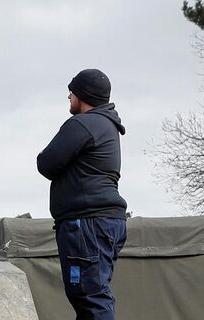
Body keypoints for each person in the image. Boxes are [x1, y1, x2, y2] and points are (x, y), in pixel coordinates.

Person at [35, 68, 128, 320]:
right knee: (89, 295)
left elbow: (46, 163)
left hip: (87, 223)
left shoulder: (84, 124)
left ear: (83, 94)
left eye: (72, 91)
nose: (68, 96)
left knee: (90, 296)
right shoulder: (107, 125)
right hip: (104, 222)